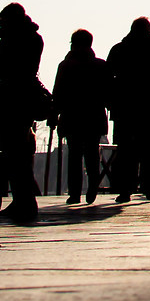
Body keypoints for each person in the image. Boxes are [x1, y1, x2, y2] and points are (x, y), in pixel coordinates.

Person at [0, 2, 48, 224]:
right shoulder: (34, 38)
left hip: (11, 99)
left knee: (13, 153)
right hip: (26, 99)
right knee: (21, 152)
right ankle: (25, 201)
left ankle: (23, 201)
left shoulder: (11, 39)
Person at [106, 16, 150, 202]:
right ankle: (149, 187)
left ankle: (125, 189)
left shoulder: (119, 49)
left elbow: (108, 78)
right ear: (149, 31)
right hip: (148, 104)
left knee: (125, 149)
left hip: (124, 105)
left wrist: (111, 102)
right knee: (148, 148)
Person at [52, 29, 109, 206]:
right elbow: (108, 92)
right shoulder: (100, 66)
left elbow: (58, 93)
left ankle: (74, 193)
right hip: (94, 116)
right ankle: (93, 185)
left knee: (74, 155)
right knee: (92, 154)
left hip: (72, 116)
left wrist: (54, 114)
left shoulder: (65, 66)